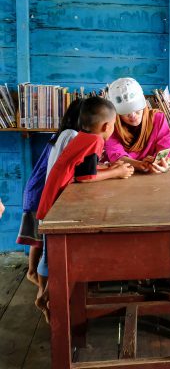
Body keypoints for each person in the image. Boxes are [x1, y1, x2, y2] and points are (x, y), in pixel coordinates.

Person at [35, 96, 134, 321]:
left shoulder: (81, 137)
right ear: (107, 126)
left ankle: (47, 296)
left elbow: (81, 168)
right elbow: (86, 177)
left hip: (53, 201)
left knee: (54, 257)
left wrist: (107, 166)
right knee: (55, 258)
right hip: (55, 207)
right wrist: (116, 173)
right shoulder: (95, 141)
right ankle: (49, 300)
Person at [15, 99, 83, 287]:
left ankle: (33, 273)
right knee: (40, 235)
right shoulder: (72, 135)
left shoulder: (62, 133)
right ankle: (32, 273)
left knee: (39, 236)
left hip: (37, 186)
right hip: (41, 190)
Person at [105, 77, 170, 174]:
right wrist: (140, 164)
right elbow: (115, 155)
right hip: (122, 177)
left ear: (143, 102)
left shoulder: (157, 118)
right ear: (116, 112)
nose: (132, 115)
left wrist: (167, 165)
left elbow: (168, 152)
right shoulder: (111, 124)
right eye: (125, 111)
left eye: (135, 107)